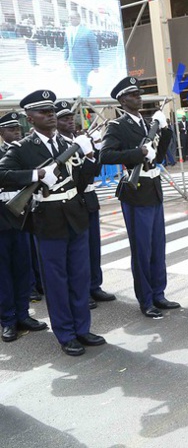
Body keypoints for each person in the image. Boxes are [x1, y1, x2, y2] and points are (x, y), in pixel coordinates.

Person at [0, 91, 104, 355]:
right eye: (43, 112)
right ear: (29, 118)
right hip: (48, 221)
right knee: (57, 281)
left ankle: (83, 328)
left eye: (51, 111)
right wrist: (36, 174)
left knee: (80, 277)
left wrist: (91, 155)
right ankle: (66, 333)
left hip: (76, 216)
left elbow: (82, 181)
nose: (50, 115)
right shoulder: (21, 148)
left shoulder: (67, 143)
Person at [100, 77, 179, 319]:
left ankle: (159, 292)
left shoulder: (148, 123)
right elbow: (106, 155)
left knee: (157, 246)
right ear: (123, 100)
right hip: (135, 192)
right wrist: (138, 152)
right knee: (142, 249)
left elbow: (162, 155)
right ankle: (146, 299)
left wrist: (164, 130)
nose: (138, 97)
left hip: (153, 188)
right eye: (133, 94)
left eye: (139, 93)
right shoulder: (117, 126)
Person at [54, 101, 116, 309]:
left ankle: (94, 286)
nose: (69, 121)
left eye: (71, 117)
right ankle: (80, 290)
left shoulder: (80, 140)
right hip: (73, 199)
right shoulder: (59, 146)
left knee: (93, 246)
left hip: (89, 198)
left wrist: (96, 150)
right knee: (77, 252)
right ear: (56, 122)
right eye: (64, 118)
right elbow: (77, 180)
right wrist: (88, 155)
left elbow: (95, 173)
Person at [0, 110, 48, 343]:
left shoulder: (24, 152)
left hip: (20, 219)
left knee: (23, 270)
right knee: (3, 275)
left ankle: (23, 314)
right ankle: (8, 320)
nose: (16, 133)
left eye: (18, 129)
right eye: (11, 130)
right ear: (1, 133)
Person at [63, 11, 99, 98]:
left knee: (82, 83)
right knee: (75, 79)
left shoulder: (87, 32)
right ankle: (88, 88)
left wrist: (96, 65)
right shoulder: (67, 30)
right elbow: (66, 46)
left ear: (79, 19)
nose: (70, 20)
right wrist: (65, 59)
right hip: (72, 63)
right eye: (69, 18)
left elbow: (94, 49)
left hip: (84, 63)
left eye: (72, 18)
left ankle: (84, 104)